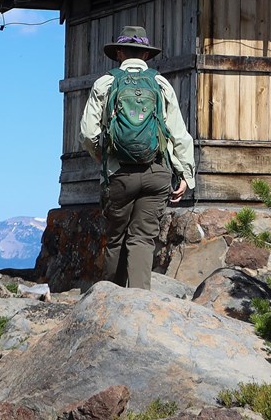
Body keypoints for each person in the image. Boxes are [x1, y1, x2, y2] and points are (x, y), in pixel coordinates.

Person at [79, 25, 195, 289]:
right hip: (156, 173)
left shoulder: (106, 83)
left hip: (119, 173)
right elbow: (178, 133)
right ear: (145, 55)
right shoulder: (160, 83)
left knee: (117, 237)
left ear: (119, 52)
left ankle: (111, 301)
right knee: (143, 239)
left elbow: (87, 133)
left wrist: (103, 156)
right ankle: (139, 304)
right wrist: (186, 174)